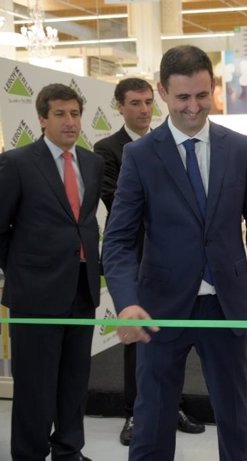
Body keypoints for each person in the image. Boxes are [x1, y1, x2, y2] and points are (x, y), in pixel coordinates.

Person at [102, 45, 247, 461]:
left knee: (233, 410)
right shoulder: (140, 155)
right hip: (161, 307)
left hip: (226, 302)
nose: (193, 107)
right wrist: (125, 302)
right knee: (153, 413)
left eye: (201, 95)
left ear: (213, 88)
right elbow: (119, 239)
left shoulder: (237, 148)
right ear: (163, 91)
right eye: (182, 97)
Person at [93, 77, 205, 446]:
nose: (143, 110)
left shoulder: (170, 141)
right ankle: (133, 414)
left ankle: (172, 406)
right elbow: (118, 202)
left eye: (146, 102)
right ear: (119, 106)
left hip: (175, 261)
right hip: (135, 262)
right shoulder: (107, 149)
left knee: (174, 337)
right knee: (136, 341)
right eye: (134, 103)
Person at [0, 83, 104, 461]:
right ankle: (29, 454)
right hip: (35, 294)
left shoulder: (92, 163)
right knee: (35, 385)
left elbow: (84, 223)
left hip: (81, 288)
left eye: (75, 113)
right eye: (60, 114)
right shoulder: (18, 163)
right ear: (42, 119)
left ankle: (68, 450)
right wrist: (23, 270)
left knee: (75, 381)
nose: (70, 121)